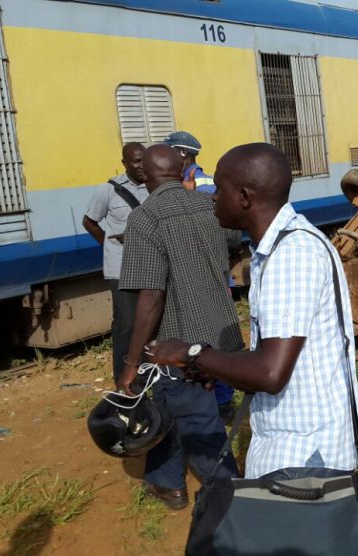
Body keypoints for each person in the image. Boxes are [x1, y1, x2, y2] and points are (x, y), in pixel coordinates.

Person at [147, 142, 358, 481]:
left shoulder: (291, 255)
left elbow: (269, 372)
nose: (212, 197)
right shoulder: (282, 247)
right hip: (303, 448)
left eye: (219, 189)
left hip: (304, 458)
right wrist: (221, 368)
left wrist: (190, 353)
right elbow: (282, 358)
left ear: (244, 197)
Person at [117, 144, 243, 510]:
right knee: (168, 406)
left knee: (195, 415)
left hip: (179, 337)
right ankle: (166, 481)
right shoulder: (210, 204)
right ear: (182, 167)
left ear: (144, 175)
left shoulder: (145, 218)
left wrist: (130, 362)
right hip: (221, 328)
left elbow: (151, 296)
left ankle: (227, 490)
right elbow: (235, 241)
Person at [163, 130, 237, 417]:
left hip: (209, 271)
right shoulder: (186, 184)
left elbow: (216, 231)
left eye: (171, 154)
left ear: (182, 154)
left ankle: (223, 399)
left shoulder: (204, 185)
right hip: (199, 271)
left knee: (215, 336)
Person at [82, 142, 149, 382]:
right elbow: (89, 221)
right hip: (121, 269)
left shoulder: (155, 186)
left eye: (145, 160)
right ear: (124, 164)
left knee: (152, 322)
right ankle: (123, 378)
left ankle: (150, 373)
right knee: (126, 324)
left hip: (151, 267)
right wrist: (109, 245)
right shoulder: (108, 190)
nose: (142, 166)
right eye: (136, 161)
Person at [163, 130, 217, 195]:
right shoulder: (213, 181)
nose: (165, 157)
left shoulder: (184, 185)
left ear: (183, 153)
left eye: (168, 152)